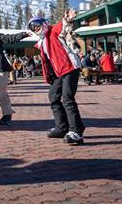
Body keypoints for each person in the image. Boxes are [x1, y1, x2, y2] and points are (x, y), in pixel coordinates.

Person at [28, 10, 85, 145]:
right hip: (59, 73)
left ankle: (76, 131)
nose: (35, 28)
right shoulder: (42, 42)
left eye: (37, 24)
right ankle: (62, 127)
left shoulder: (53, 31)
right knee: (53, 97)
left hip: (70, 67)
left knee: (67, 99)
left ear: (43, 23)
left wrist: (68, 19)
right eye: (32, 27)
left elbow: (64, 26)